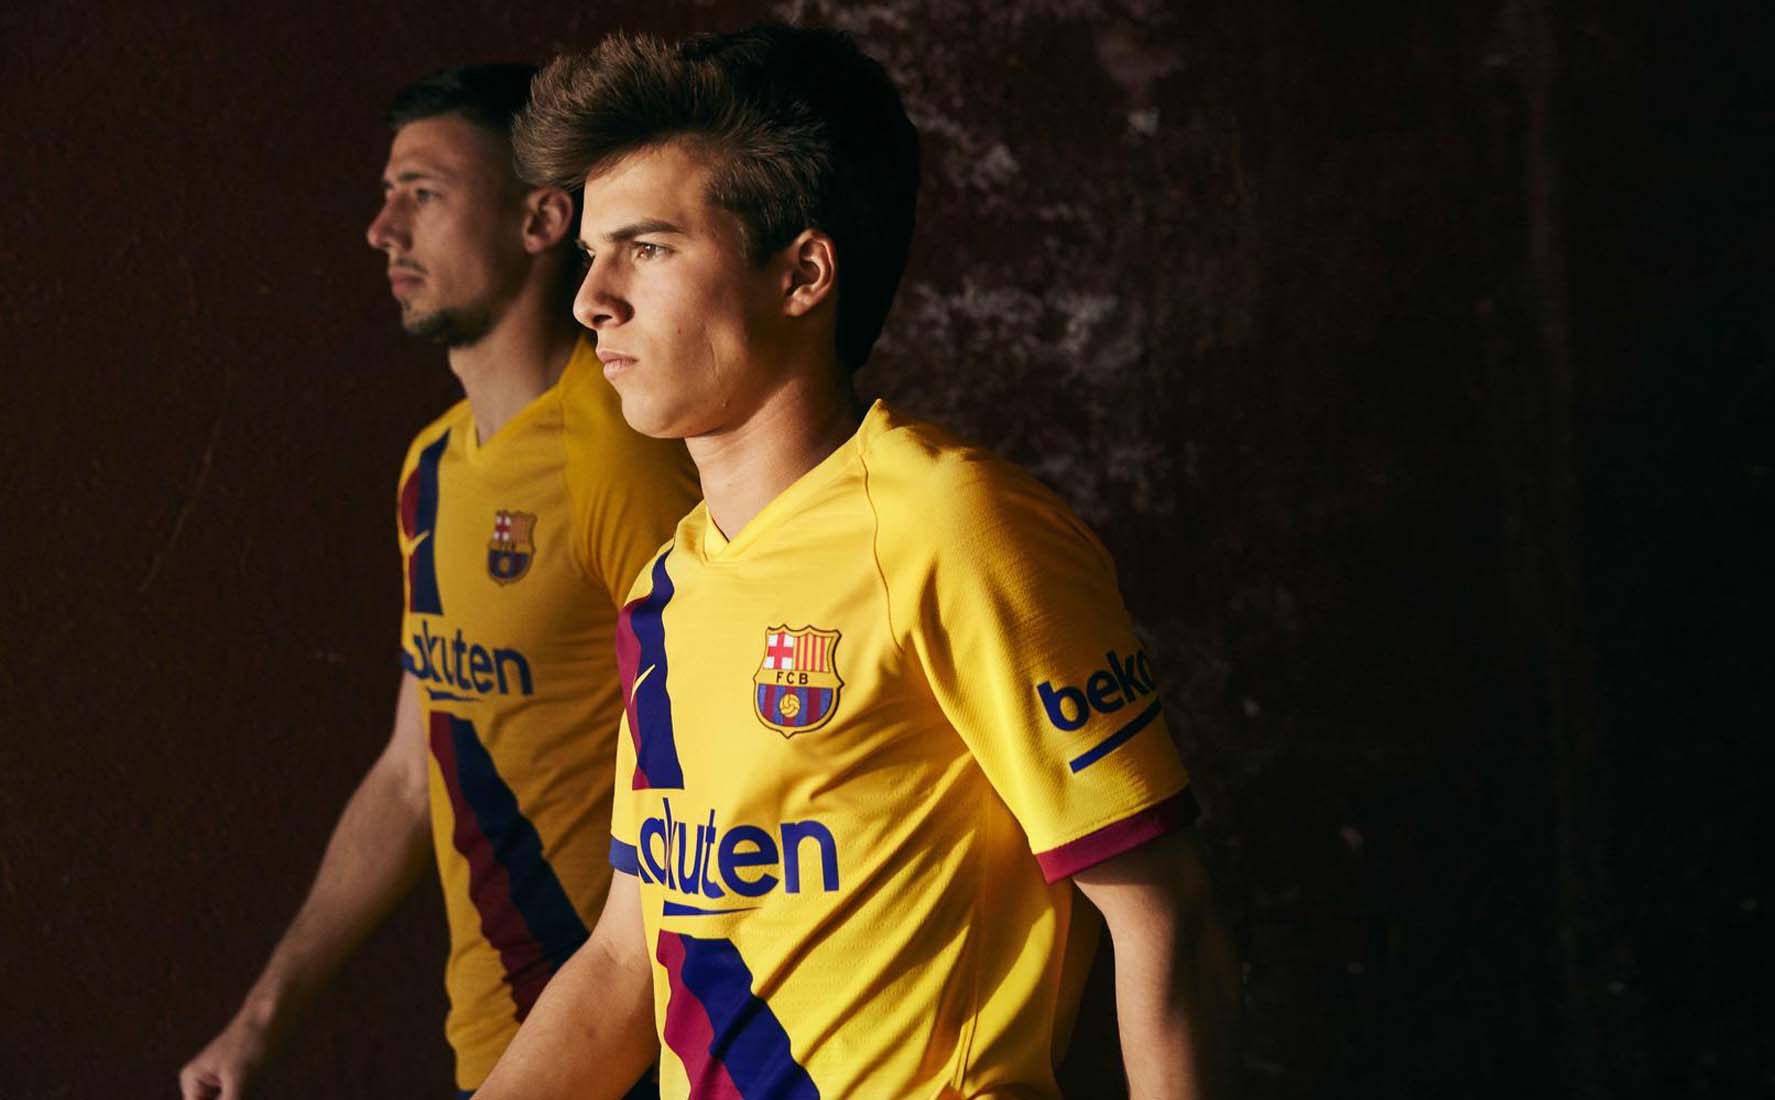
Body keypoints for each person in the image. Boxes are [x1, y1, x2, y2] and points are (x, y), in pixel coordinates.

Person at [472, 24, 1238, 1100]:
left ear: (802, 273)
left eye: (646, 248)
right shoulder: (665, 590)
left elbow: (1162, 915)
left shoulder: (951, 524)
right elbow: (621, 963)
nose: (590, 296)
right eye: (594, 252)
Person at [179, 65, 698, 1100]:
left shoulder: (621, 453)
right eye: (387, 196)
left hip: (621, 1052)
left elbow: (717, 771)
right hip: (489, 1043)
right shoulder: (430, 469)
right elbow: (408, 777)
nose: (383, 230)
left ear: (541, 219)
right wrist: (259, 1019)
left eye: (423, 192)